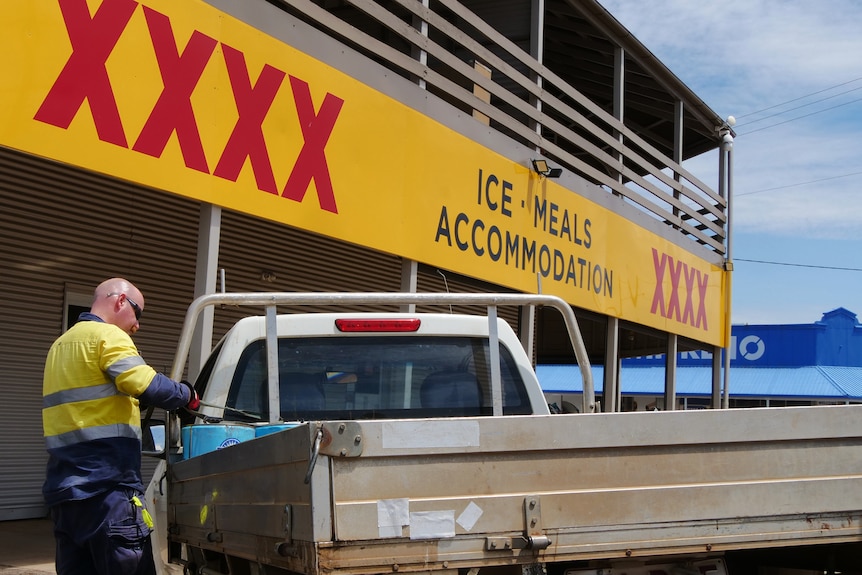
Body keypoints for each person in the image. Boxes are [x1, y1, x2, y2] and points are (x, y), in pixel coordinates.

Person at [42, 277, 199, 575]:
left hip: (65, 495)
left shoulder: (59, 347)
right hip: (107, 491)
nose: (137, 325)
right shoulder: (107, 336)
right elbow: (148, 384)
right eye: (138, 313)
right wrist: (187, 395)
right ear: (119, 302)